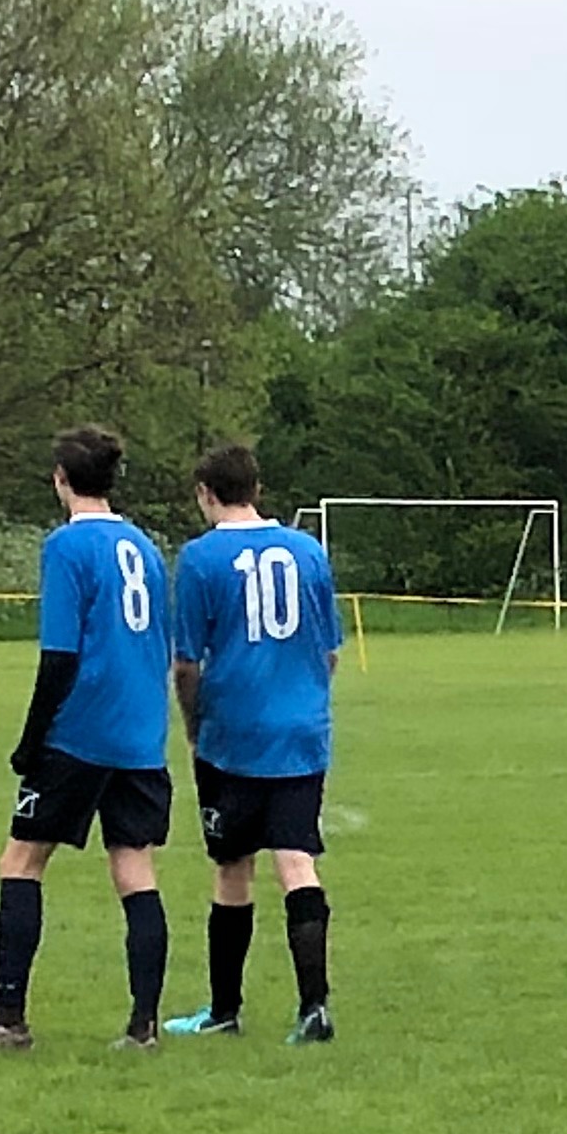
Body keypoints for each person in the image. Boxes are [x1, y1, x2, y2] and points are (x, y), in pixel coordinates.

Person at [0, 425, 178, 1053]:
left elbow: (60, 657)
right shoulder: (145, 547)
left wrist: (31, 739)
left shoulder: (67, 547)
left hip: (81, 731)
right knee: (134, 868)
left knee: (21, 861)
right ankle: (143, 1026)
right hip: (140, 735)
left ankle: (7, 1016)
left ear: (61, 481)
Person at [163, 443, 345, 1043]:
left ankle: (224, 1011)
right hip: (301, 731)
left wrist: (195, 728)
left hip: (233, 734)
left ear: (205, 494)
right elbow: (330, 652)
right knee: (296, 861)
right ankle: (314, 1008)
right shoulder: (308, 550)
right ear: (258, 489)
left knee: (231, 868)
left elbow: (186, 664)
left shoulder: (200, 558)